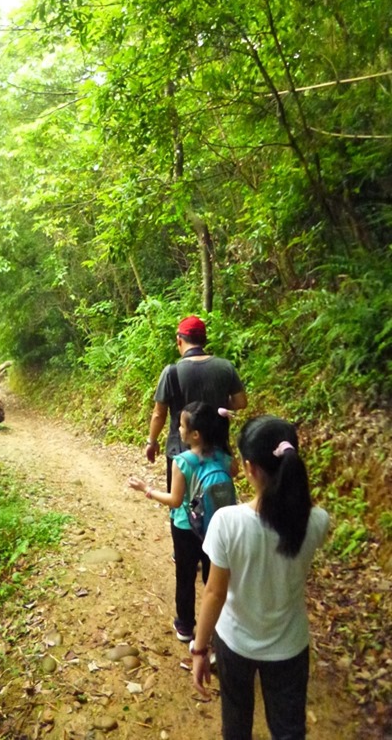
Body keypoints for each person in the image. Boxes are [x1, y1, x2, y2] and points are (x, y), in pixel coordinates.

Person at [190, 416, 329, 740]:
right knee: (289, 730)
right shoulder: (318, 521)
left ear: (250, 468)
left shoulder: (227, 522)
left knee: (236, 724)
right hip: (290, 647)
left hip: (235, 642)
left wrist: (199, 650)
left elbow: (214, 593)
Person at [129, 402, 236, 642]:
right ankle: (218, 628)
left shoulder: (183, 461)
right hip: (217, 527)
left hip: (187, 528)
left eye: (182, 425)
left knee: (185, 577)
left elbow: (175, 500)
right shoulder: (223, 457)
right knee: (214, 578)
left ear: (195, 434)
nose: (178, 428)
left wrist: (147, 489)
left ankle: (186, 626)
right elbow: (235, 472)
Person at [145, 315, 247, 493]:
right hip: (217, 449)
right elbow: (240, 402)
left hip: (181, 451)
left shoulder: (171, 372)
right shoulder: (225, 367)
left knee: (182, 508)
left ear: (179, 340)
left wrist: (151, 442)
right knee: (217, 502)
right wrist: (220, 401)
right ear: (204, 340)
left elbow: (158, 414)